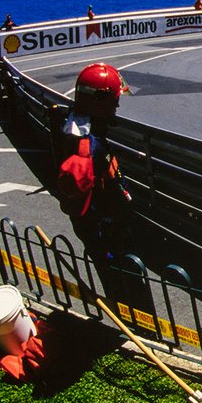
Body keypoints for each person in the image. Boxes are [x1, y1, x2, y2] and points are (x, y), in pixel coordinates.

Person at [57, 63, 131, 271]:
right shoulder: (91, 147)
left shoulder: (71, 126)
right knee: (123, 286)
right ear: (102, 101)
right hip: (107, 234)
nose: (116, 106)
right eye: (114, 100)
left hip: (94, 230)